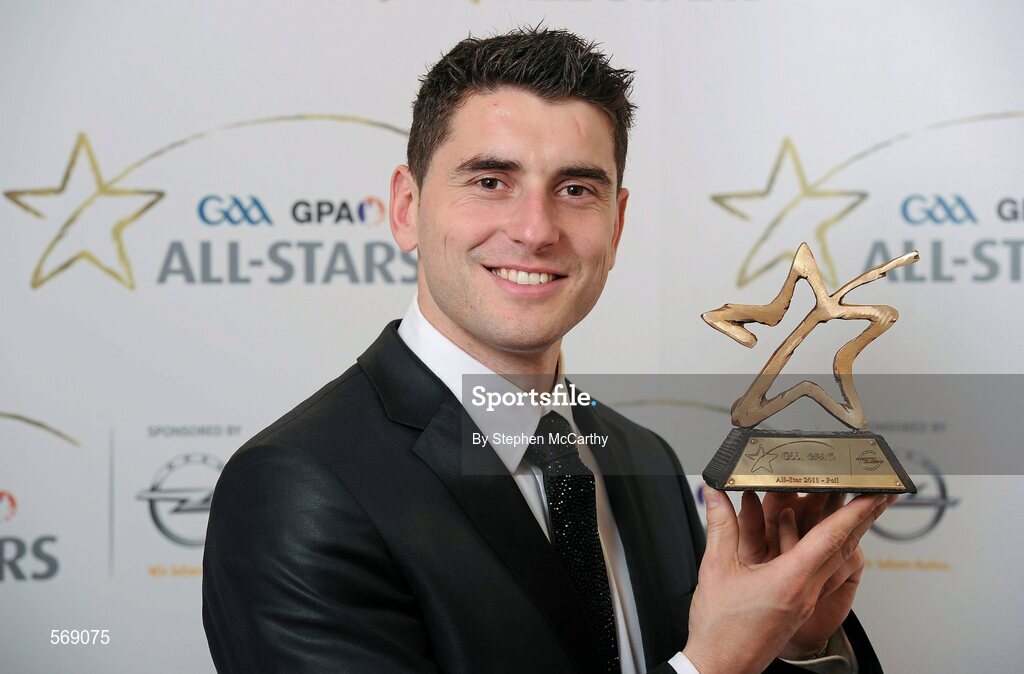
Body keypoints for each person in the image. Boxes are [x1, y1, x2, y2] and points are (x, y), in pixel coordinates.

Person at [203, 27, 894, 674]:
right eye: (490, 181)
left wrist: (797, 639)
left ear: (616, 225)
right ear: (407, 208)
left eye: (575, 189)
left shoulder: (642, 460)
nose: (536, 230)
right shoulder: (302, 485)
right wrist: (710, 667)